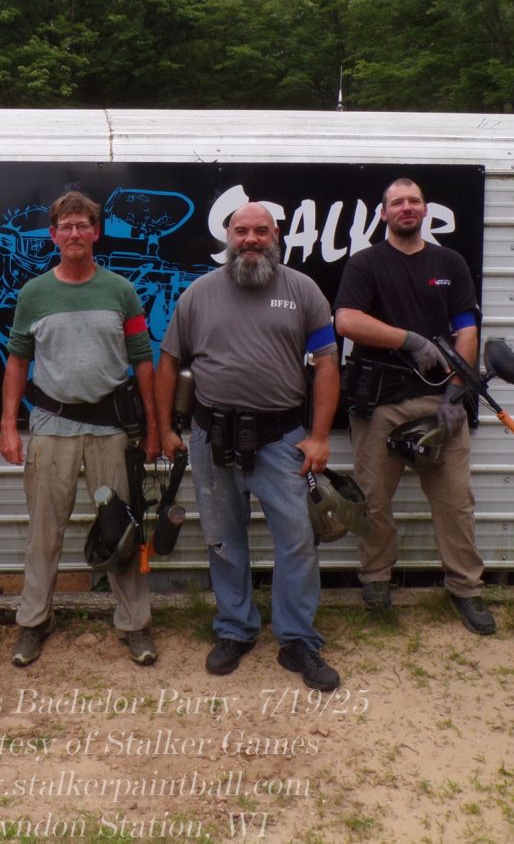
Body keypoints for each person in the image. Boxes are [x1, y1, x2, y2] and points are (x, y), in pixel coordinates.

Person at [157, 202, 341, 691]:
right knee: (223, 539)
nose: (251, 239)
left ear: (275, 236)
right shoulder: (198, 294)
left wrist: (320, 437)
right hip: (211, 438)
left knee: (297, 540)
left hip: (282, 440)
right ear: (229, 236)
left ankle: (297, 639)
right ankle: (235, 628)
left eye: (261, 231)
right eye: (242, 231)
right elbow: (168, 361)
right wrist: (166, 429)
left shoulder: (303, 291)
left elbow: (327, 363)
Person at [0, 191, 160, 668]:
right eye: (65, 226)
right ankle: (34, 622)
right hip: (51, 428)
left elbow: (143, 360)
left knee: (121, 531)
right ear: (53, 235)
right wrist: (8, 425)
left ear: (96, 232)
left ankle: (135, 625)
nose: (74, 233)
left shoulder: (121, 291)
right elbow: (17, 361)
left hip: (111, 430)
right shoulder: (33, 294)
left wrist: (153, 428)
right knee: (43, 533)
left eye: (82, 225)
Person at [334, 178, 496, 635]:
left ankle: (466, 588)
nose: (406, 207)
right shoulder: (365, 263)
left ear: (426, 210)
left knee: (455, 501)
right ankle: (376, 579)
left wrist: (456, 392)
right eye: (397, 202)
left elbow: (467, 328)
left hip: (440, 403)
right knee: (372, 500)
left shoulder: (450, 263)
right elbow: (346, 320)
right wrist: (411, 340)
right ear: (384, 214)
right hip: (380, 401)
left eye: (414, 201)